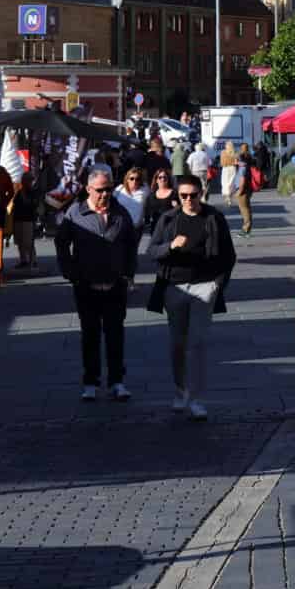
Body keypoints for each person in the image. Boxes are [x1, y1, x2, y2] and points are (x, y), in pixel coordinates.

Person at [147, 174, 237, 421]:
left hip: (204, 286)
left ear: (201, 193)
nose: (188, 200)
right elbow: (151, 251)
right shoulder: (168, 219)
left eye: (193, 195)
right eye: (183, 195)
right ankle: (180, 390)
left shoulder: (214, 218)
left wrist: (218, 285)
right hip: (174, 287)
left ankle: (196, 398)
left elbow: (229, 255)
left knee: (197, 343)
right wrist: (171, 247)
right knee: (177, 343)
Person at [55, 169, 137, 401]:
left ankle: (117, 382)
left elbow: (131, 244)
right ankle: (90, 382)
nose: (104, 194)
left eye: (108, 189)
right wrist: (70, 272)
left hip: (114, 284)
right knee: (90, 334)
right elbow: (61, 242)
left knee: (115, 334)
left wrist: (128, 273)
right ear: (89, 189)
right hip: (86, 284)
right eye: (100, 190)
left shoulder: (120, 213)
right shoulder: (76, 212)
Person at [10, 170, 40, 271]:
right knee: (20, 241)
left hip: (28, 220)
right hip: (18, 219)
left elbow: (32, 205)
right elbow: (14, 204)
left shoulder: (33, 192)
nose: (24, 182)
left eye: (26, 180)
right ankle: (23, 260)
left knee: (28, 242)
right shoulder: (19, 192)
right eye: (24, 180)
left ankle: (33, 260)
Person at [219, 144, 251, 238]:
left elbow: (242, 180)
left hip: (242, 190)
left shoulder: (242, 168)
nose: (235, 160)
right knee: (246, 209)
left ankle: (246, 229)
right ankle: (246, 228)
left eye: (237, 159)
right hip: (245, 188)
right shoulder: (243, 165)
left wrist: (239, 191)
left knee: (244, 210)